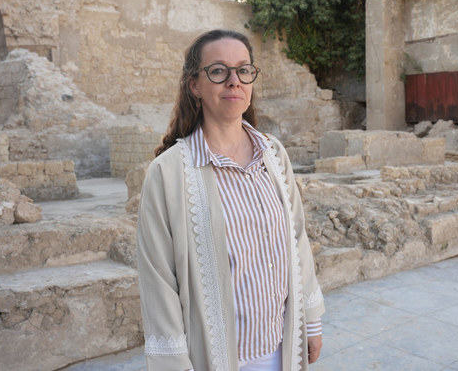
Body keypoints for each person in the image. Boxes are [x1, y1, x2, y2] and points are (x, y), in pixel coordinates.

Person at [136, 29, 325, 371]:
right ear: (195, 85)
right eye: (219, 71)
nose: (234, 81)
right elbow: (158, 279)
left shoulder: (274, 156)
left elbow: (297, 239)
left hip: (282, 348)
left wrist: (310, 322)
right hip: (216, 357)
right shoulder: (168, 173)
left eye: (243, 70)